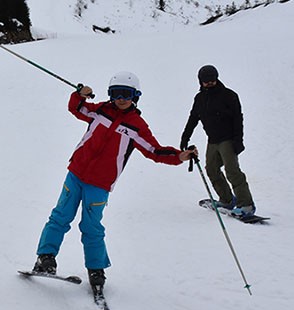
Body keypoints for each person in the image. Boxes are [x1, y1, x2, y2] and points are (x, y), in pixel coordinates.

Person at [32, 71, 196, 290]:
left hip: (100, 184)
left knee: (91, 226)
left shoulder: (136, 125)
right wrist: (80, 95)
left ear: (135, 96)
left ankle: (96, 271)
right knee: (60, 216)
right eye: (116, 93)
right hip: (76, 173)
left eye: (126, 94)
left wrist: (179, 156)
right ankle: (45, 258)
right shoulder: (100, 110)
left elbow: (154, 151)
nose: (121, 99)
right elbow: (77, 109)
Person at [180, 65, 255, 217]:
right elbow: (193, 118)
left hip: (228, 139)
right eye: (206, 82)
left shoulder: (229, 95)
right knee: (212, 169)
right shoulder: (200, 98)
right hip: (212, 140)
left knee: (232, 171)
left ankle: (246, 205)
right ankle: (227, 200)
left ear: (217, 78)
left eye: (212, 81)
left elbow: (238, 119)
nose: (209, 84)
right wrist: (185, 137)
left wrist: (238, 141)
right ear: (200, 82)